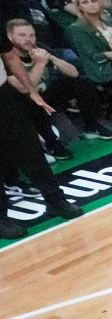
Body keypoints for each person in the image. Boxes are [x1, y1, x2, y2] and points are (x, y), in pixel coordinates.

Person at [0, 54, 84, 240]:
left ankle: (56, 201)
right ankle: (1, 219)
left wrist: (32, 92)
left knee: (31, 150)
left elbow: (10, 58)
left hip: (3, 95)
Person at [3, 18, 112, 144]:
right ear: (10, 37)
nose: (28, 39)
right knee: (31, 101)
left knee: (82, 82)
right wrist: (40, 63)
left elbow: (74, 73)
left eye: (31, 35)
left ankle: (92, 127)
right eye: (22, 35)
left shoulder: (39, 47)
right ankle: (52, 144)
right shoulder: (6, 59)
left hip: (48, 92)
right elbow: (25, 89)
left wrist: (51, 57)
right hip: (25, 102)